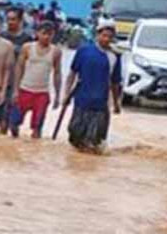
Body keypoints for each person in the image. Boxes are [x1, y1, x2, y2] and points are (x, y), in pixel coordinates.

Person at [64, 18, 121, 153]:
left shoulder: (114, 56)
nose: (106, 39)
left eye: (110, 37)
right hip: (82, 100)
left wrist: (116, 103)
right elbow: (72, 74)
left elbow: (115, 82)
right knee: (75, 135)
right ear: (97, 35)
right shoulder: (84, 51)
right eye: (104, 36)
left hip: (101, 104)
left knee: (95, 140)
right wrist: (66, 94)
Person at [11, 21, 62, 138]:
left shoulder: (56, 51)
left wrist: (57, 96)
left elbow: (57, 73)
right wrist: (15, 90)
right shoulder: (27, 47)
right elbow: (19, 68)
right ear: (37, 33)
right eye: (44, 33)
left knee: (37, 127)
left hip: (42, 94)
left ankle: (35, 148)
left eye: (50, 34)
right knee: (14, 124)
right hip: (24, 90)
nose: (46, 37)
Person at [0, 7, 31, 134]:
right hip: (2, 81)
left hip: (20, 82)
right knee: (2, 118)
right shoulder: (1, 37)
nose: (10, 22)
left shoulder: (27, 39)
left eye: (13, 19)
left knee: (14, 122)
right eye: (8, 19)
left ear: (20, 20)